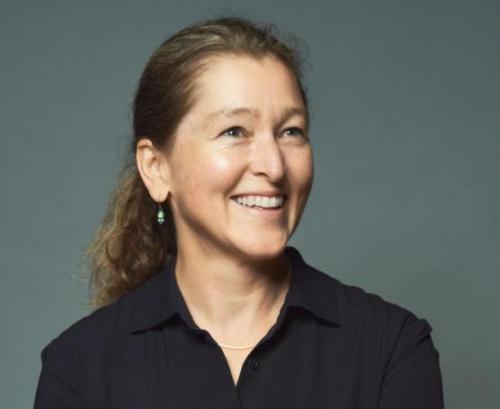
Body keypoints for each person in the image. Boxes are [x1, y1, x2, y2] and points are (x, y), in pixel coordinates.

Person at [33, 15, 444, 409]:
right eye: (234, 132)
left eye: (291, 132)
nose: (274, 165)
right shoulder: (79, 367)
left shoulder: (391, 347)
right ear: (156, 169)